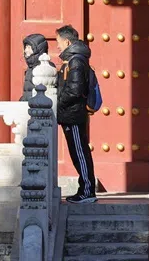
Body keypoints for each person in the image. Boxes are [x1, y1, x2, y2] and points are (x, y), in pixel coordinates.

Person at [54, 24, 98, 204]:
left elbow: (74, 89)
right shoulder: (73, 60)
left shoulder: (76, 61)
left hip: (74, 113)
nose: (57, 46)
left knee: (80, 152)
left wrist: (59, 102)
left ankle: (87, 191)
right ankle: (84, 189)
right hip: (70, 114)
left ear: (67, 41)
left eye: (58, 42)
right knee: (77, 152)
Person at [20, 33, 53, 102]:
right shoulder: (31, 67)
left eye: (29, 47)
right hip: (29, 106)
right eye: (25, 47)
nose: (26, 50)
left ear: (38, 49)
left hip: (38, 107)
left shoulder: (45, 67)